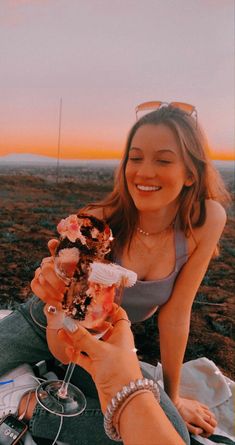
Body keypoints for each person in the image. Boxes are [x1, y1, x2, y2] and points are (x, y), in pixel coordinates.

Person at [0, 103, 229, 443]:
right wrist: (55, 304)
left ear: (191, 173)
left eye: (163, 160)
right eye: (135, 158)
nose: (144, 172)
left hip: (108, 345)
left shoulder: (206, 219)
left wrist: (174, 397)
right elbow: (66, 340)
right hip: (48, 325)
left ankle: (24, 403)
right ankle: (18, 390)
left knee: (172, 433)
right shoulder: (93, 224)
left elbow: (176, 314)